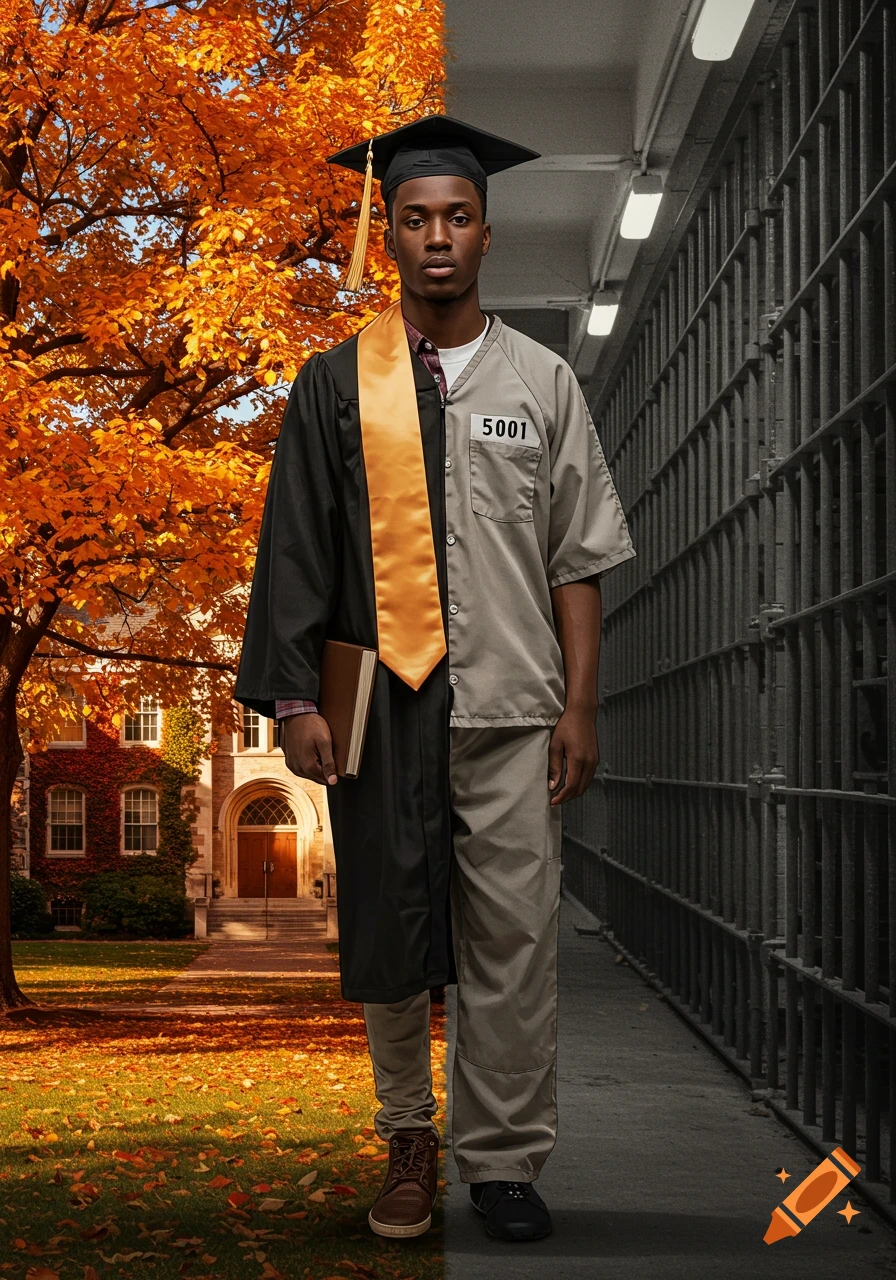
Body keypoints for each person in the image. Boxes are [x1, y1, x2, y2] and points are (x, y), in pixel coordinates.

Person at [233, 114, 637, 1244]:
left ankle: (500, 1158)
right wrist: (299, 703)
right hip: (379, 702)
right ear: (390, 234)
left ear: (486, 233)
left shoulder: (540, 380)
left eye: (456, 216)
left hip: (511, 710)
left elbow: (576, 557)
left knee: (512, 944)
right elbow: (296, 549)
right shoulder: (334, 384)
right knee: (392, 934)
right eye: (413, 219)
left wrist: (581, 701)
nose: (436, 237)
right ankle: (408, 1139)